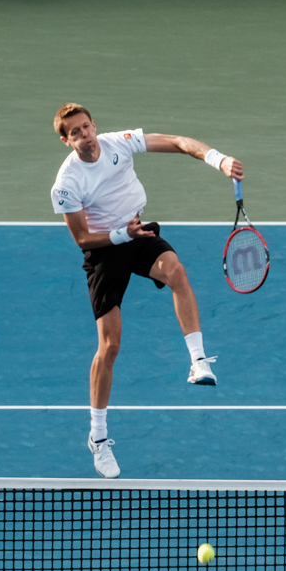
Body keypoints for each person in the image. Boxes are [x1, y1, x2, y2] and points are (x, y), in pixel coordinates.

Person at [50, 103, 244, 478]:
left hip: (136, 233)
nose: (85, 135)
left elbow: (175, 141)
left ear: (94, 126)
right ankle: (99, 437)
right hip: (104, 250)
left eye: (87, 127)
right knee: (110, 346)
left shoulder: (118, 144)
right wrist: (123, 234)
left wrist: (217, 160)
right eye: (75, 132)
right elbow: (81, 239)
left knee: (176, 271)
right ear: (65, 140)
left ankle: (198, 360)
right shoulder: (66, 184)